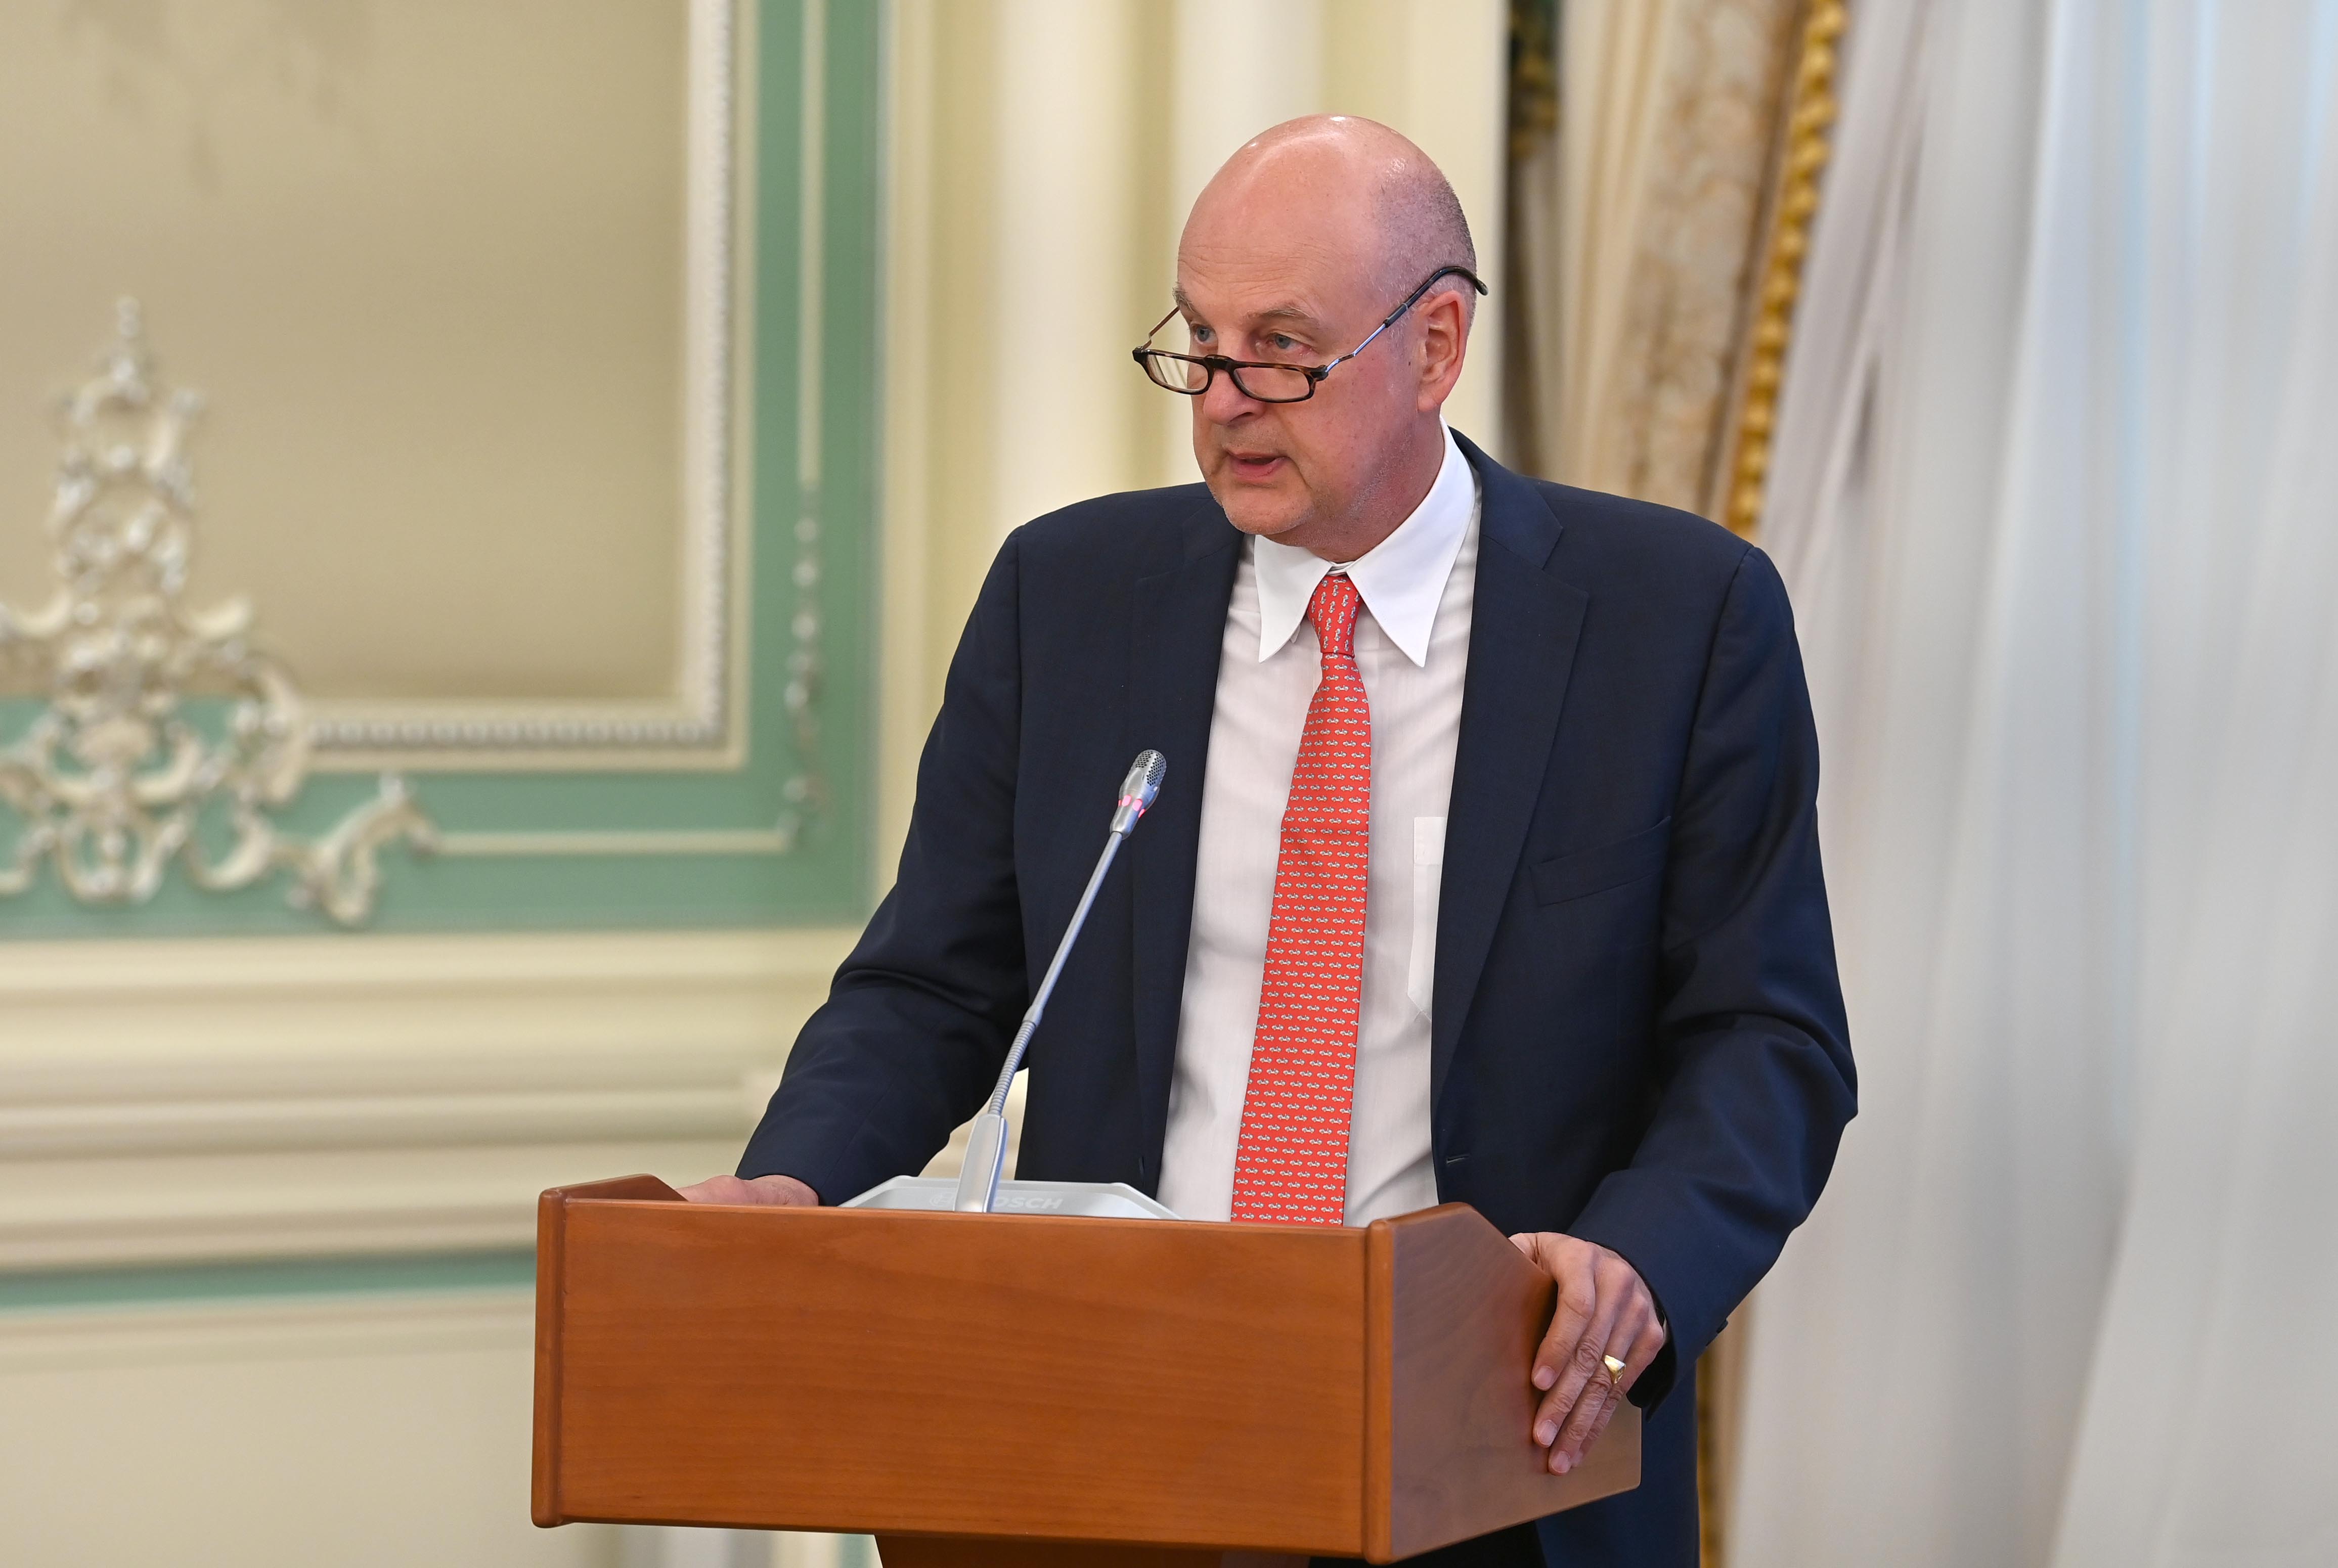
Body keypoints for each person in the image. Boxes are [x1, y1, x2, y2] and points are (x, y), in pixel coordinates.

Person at [681, 116, 1854, 1567]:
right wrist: (792, 1191)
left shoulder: (1676, 617)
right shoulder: (1068, 595)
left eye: (1283, 351)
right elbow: (939, 986)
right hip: (1120, 1435)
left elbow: (1765, 1036)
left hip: (1499, 1446)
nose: (1225, 403)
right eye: (1201, 343)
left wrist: (1637, 1266)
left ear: (1434, 346)